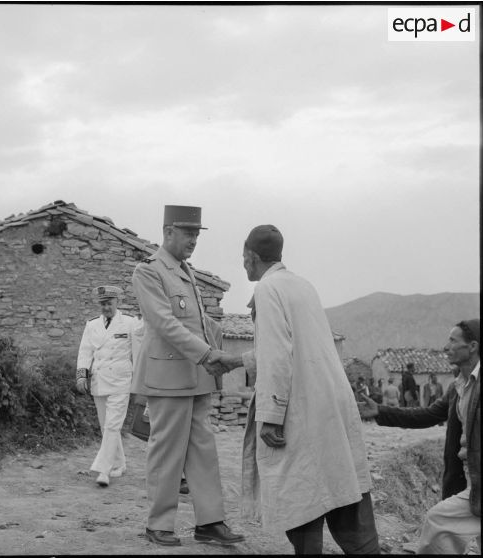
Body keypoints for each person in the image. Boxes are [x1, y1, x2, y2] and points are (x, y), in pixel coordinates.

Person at [209, 225, 379, 555]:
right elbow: (285, 346)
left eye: (244, 257)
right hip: (330, 403)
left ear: (252, 257)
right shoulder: (302, 286)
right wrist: (232, 361)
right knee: (341, 487)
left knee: (300, 496)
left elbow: (276, 354)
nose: (243, 263)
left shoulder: (267, 290)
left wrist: (271, 415)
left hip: (300, 408)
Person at [131, 205, 244, 547]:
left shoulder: (185, 271)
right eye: (188, 233)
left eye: (196, 234)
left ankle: (210, 522)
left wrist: (221, 351)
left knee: (203, 451)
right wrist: (209, 355)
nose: (194, 240)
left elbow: (199, 323)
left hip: (196, 377)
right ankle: (159, 524)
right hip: (167, 377)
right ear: (168, 233)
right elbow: (166, 324)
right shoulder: (149, 272)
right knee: (166, 452)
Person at [359, 319, 480, 554]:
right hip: (466, 476)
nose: (446, 347)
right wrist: (380, 411)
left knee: (437, 521)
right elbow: (427, 415)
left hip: (478, 478)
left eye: (453, 341)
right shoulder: (458, 387)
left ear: (472, 346)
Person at [76, 285, 143, 487]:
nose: (106, 307)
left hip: (121, 381)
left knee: (113, 425)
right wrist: (81, 375)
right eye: (103, 304)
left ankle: (103, 470)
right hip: (99, 380)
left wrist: (140, 383)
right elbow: (85, 352)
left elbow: (140, 347)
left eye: (109, 303)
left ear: (117, 303)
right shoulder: (92, 325)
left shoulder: (131, 323)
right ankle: (119, 463)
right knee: (107, 428)